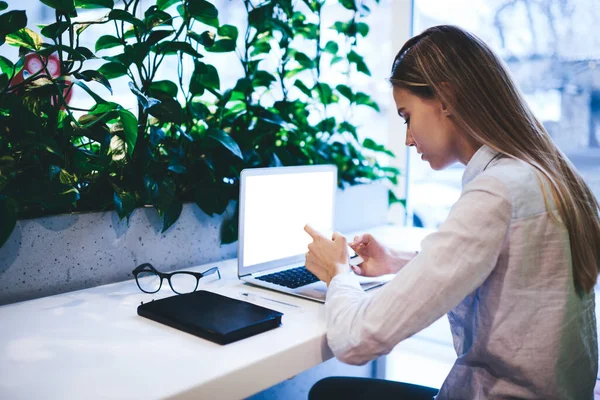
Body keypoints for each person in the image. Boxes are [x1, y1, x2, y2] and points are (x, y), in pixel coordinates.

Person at [304, 25, 600, 399]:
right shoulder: (543, 176)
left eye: (406, 116)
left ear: (445, 98)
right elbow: (498, 268)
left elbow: (355, 340)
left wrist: (337, 271)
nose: (408, 138)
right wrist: (397, 260)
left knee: (331, 392)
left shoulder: (496, 193)